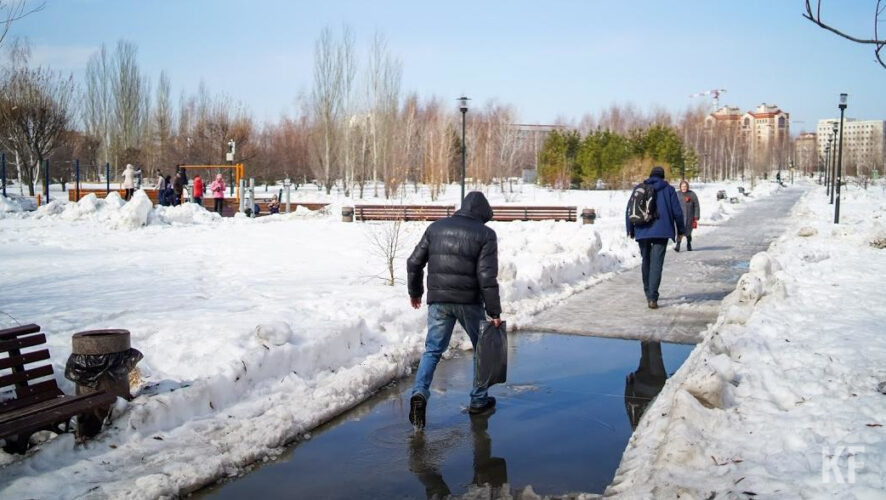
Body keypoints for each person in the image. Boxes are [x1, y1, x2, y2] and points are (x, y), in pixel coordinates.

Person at [406, 191, 502, 430]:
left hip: (438, 300)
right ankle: (478, 400)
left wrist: (415, 292)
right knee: (482, 349)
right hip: (469, 301)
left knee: (432, 350)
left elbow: (413, 262)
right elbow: (486, 276)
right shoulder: (486, 234)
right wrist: (494, 312)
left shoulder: (436, 228)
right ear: (482, 213)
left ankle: (419, 393)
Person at [625, 166, 685, 310]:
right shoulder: (669, 190)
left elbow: (629, 208)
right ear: (663, 177)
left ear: (650, 175)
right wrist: (681, 230)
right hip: (662, 231)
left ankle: (648, 293)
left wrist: (630, 228)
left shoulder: (639, 188)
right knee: (656, 264)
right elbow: (677, 212)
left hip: (642, 229)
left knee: (646, 261)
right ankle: (652, 297)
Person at [675, 180, 700, 252]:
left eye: (685, 186)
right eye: (682, 186)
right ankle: (678, 245)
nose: (684, 188)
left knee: (688, 232)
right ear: (680, 187)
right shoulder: (677, 194)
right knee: (679, 231)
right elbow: (673, 205)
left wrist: (696, 216)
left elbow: (696, 205)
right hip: (680, 217)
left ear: (687, 187)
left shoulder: (692, 194)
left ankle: (689, 243)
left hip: (690, 217)